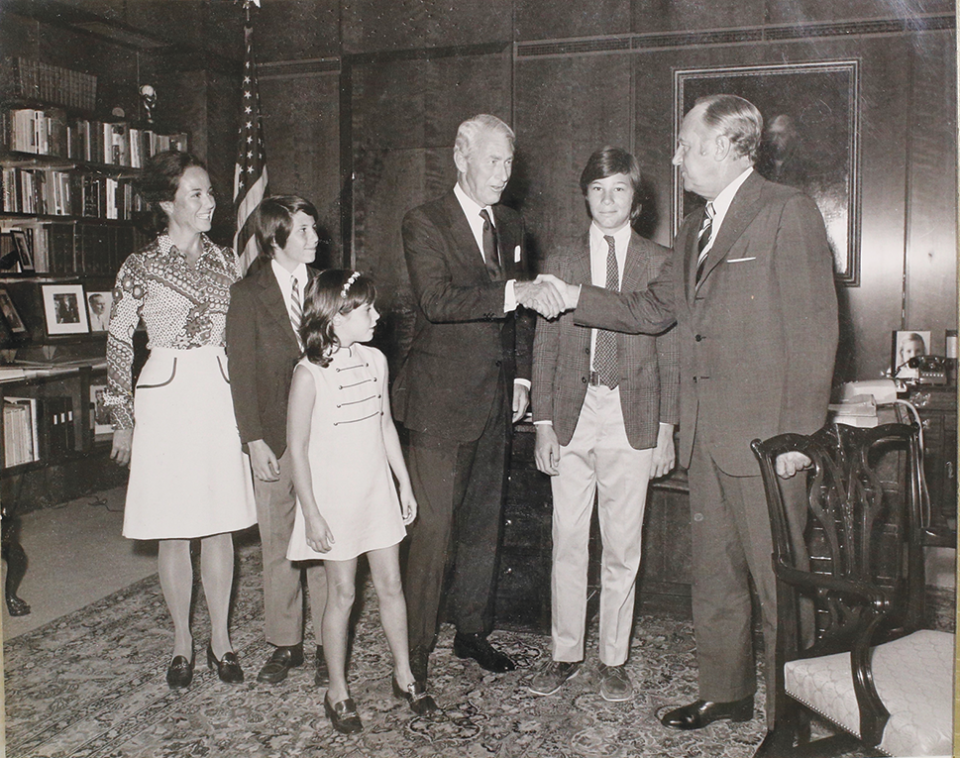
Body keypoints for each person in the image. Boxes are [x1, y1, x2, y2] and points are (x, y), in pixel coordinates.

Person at [537, 94, 838, 747]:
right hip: (709, 433)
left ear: (728, 147)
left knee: (777, 585)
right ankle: (727, 694)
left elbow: (818, 331)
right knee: (718, 577)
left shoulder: (787, 213)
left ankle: (795, 720)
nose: (674, 157)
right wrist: (572, 297)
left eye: (685, 144)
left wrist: (800, 437)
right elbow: (650, 311)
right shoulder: (697, 225)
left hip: (768, 442)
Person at [392, 113, 565, 688]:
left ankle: (471, 632)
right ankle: (412, 654)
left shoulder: (512, 224)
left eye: (509, 162)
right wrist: (517, 289)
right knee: (433, 535)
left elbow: (516, 321)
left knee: (482, 528)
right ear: (461, 156)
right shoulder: (424, 223)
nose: (503, 173)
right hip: (439, 404)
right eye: (494, 160)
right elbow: (438, 300)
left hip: (496, 398)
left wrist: (519, 379)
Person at [529, 147, 679, 703]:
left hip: (631, 413)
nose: (608, 199)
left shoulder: (661, 260)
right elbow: (545, 343)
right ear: (585, 196)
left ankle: (613, 659)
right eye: (598, 189)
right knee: (567, 539)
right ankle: (566, 652)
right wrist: (544, 424)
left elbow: (674, 351)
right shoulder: (563, 256)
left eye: (619, 188)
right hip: (574, 409)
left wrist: (666, 430)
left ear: (636, 200)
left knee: (622, 544)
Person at [103, 150, 257, 689]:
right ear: (167, 203)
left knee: (218, 525)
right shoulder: (139, 266)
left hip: (217, 393)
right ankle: (181, 643)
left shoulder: (226, 263)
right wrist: (120, 416)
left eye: (211, 192)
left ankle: (221, 639)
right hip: (165, 398)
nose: (210, 202)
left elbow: (241, 337)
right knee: (173, 528)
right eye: (197, 194)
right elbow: (119, 340)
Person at [286, 269, 439, 734]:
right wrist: (310, 512)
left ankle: (404, 675)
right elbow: (296, 448)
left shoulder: (375, 360)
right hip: (333, 499)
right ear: (336, 318)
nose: (376, 315)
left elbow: (385, 425)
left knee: (391, 584)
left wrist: (404, 484)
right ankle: (337, 689)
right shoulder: (309, 374)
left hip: (376, 491)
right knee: (344, 593)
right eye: (366, 309)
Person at [225, 195, 328, 687]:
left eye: (313, 229)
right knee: (278, 542)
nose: (314, 238)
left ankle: (331, 641)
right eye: (304, 230)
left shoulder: (328, 288)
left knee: (327, 537)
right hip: (273, 435)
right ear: (275, 238)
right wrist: (254, 441)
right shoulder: (247, 293)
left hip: (326, 435)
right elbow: (241, 375)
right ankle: (285, 643)